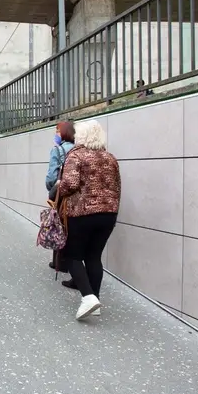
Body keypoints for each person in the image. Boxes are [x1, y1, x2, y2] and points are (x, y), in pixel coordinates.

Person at [55, 119, 120, 321]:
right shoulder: (110, 158)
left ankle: (88, 298)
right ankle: (95, 301)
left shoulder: (77, 155)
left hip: (82, 213)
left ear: (81, 136)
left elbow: (70, 184)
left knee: (72, 256)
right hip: (108, 214)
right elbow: (117, 186)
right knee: (93, 257)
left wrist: (59, 185)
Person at [44, 121, 76, 283]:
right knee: (71, 227)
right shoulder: (79, 149)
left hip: (62, 194)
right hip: (77, 196)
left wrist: (51, 190)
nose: (56, 135)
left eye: (57, 131)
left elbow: (51, 177)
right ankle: (69, 263)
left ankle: (60, 262)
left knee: (59, 225)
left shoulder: (58, 150)